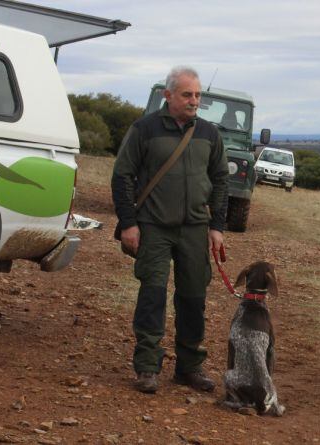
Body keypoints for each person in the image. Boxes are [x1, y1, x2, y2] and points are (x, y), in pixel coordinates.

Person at [111, 66, 229, 394]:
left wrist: (217, 226)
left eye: (198, 95)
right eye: (187, 94)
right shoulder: (144, 129)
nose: (194, 101)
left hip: (195, 229)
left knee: (193, 298)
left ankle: (189, 367)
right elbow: (122, 176)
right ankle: (147, 367)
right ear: (168, 95)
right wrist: (128, 223)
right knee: (152, 296)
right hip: (153, 227)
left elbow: (221, 179)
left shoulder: (209, 133)